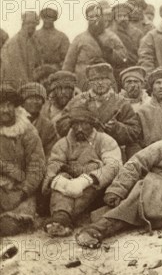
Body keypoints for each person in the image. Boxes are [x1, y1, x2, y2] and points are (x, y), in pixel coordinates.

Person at [75, 119, 162, 248]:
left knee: (133, 209)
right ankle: (96, 230)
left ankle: (97, 228)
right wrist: (117, 189)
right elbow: (136, 163)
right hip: (149, 186)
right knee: (139, 198)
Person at [41, 107, 122, 237]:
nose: (79, 128)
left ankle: (66, 217)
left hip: (96, 190)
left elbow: (114, 165)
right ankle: (61, 216)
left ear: (92, 124)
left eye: (84, 124)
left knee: (91, 178)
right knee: (62, 178)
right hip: (69, 184)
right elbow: (54, 163)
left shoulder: (105, 141)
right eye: (76, 124)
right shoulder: (63, 143)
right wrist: (55, 180)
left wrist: (87, 180)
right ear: (71, 126)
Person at [57, 63, 142, 158]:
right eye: (95, 79)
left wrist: (116, 127)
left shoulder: (121, 102)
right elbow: (61, 125)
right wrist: (75, 122)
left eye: (104, 79)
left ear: (110, 81)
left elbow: (134, 132)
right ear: (89, 82)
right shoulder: (77, 100)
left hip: (112, 153)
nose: (100, 83)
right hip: (79, 153)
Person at [0, 83, 45, 236]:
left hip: (20, 190)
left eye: (8, 105)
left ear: (15, 106)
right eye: (0, 106)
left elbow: (37, 168)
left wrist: (22, 193)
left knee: (8, 226)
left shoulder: (27, 131)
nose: (5, 110)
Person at [62, 4, 128, 90]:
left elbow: (124, 58)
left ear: (102, 17)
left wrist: (110, 53)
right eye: (91, 17)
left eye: (97, 16)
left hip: (106, 83)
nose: (94, 19)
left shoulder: (112, 37)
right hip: (83, 84)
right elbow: (68, 65)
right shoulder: (80, 39)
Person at [0, 12, 42, 85]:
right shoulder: (14, 42)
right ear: (23, 24)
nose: (31, 26)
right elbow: (17, 69)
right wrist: (27, 85)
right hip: (14, 84)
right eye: (28, 23)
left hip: (29, 83)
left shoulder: (33, 42)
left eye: (34, 24)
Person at [18, 82, 58, 156]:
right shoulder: (14, 122)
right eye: (30, 98)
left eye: (38, 98)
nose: (35, 102)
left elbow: (50, 153)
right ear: (22, 102)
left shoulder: (48, 126)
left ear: (43, 103)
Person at [110, 2, 144, 80]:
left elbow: (142, 53)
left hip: (134, 70)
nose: (123, 18)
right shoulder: (109, 33)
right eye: (119, 16)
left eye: (125, 16)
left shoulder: (137, 33)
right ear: (115, 18)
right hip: (115, 71)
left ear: (129, 17)